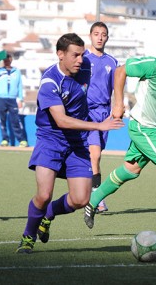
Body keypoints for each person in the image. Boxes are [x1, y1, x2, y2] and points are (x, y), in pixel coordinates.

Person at [83, 27, 156, 239]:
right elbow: (121, 71)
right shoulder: (155, 65)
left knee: (130, 170)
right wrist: (118, 104)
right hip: (143, 127)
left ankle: (92, 202)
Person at [16, 33, 124, 254]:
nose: (80, 60)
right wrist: (98, 126)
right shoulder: (50, 82)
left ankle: (49, 215)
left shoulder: (85, 69)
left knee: (81, 199)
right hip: (51, 141)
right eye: (75, 55)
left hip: (77, 142)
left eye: (82, 55)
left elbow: (118, 73)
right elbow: (61, 120)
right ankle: (28, 237)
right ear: (60, 54)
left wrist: (118, 103)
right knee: (44, 195)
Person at [84, 21, 118, 213]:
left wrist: (118, 108)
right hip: (86, 113)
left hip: (104, 114)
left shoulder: (112, 62)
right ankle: (97, 199)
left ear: (107, 37)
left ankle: (89, 193)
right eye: (96, 33)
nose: (99, 37)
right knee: (94, 155)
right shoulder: (83, 59)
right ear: (90, 36)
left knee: (96, 157)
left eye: (103, 34)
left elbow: (116, 89)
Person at [0, 52, 28, 147]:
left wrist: (20, 99)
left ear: (11, 60)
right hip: (1, 98)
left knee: (15, 120)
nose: (6, 61)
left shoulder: (16, 71)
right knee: (2, 120)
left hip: (12, 99)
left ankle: (22, 140)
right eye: (4, 60)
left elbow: (19, 86)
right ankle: (5, 139)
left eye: (8, 59)